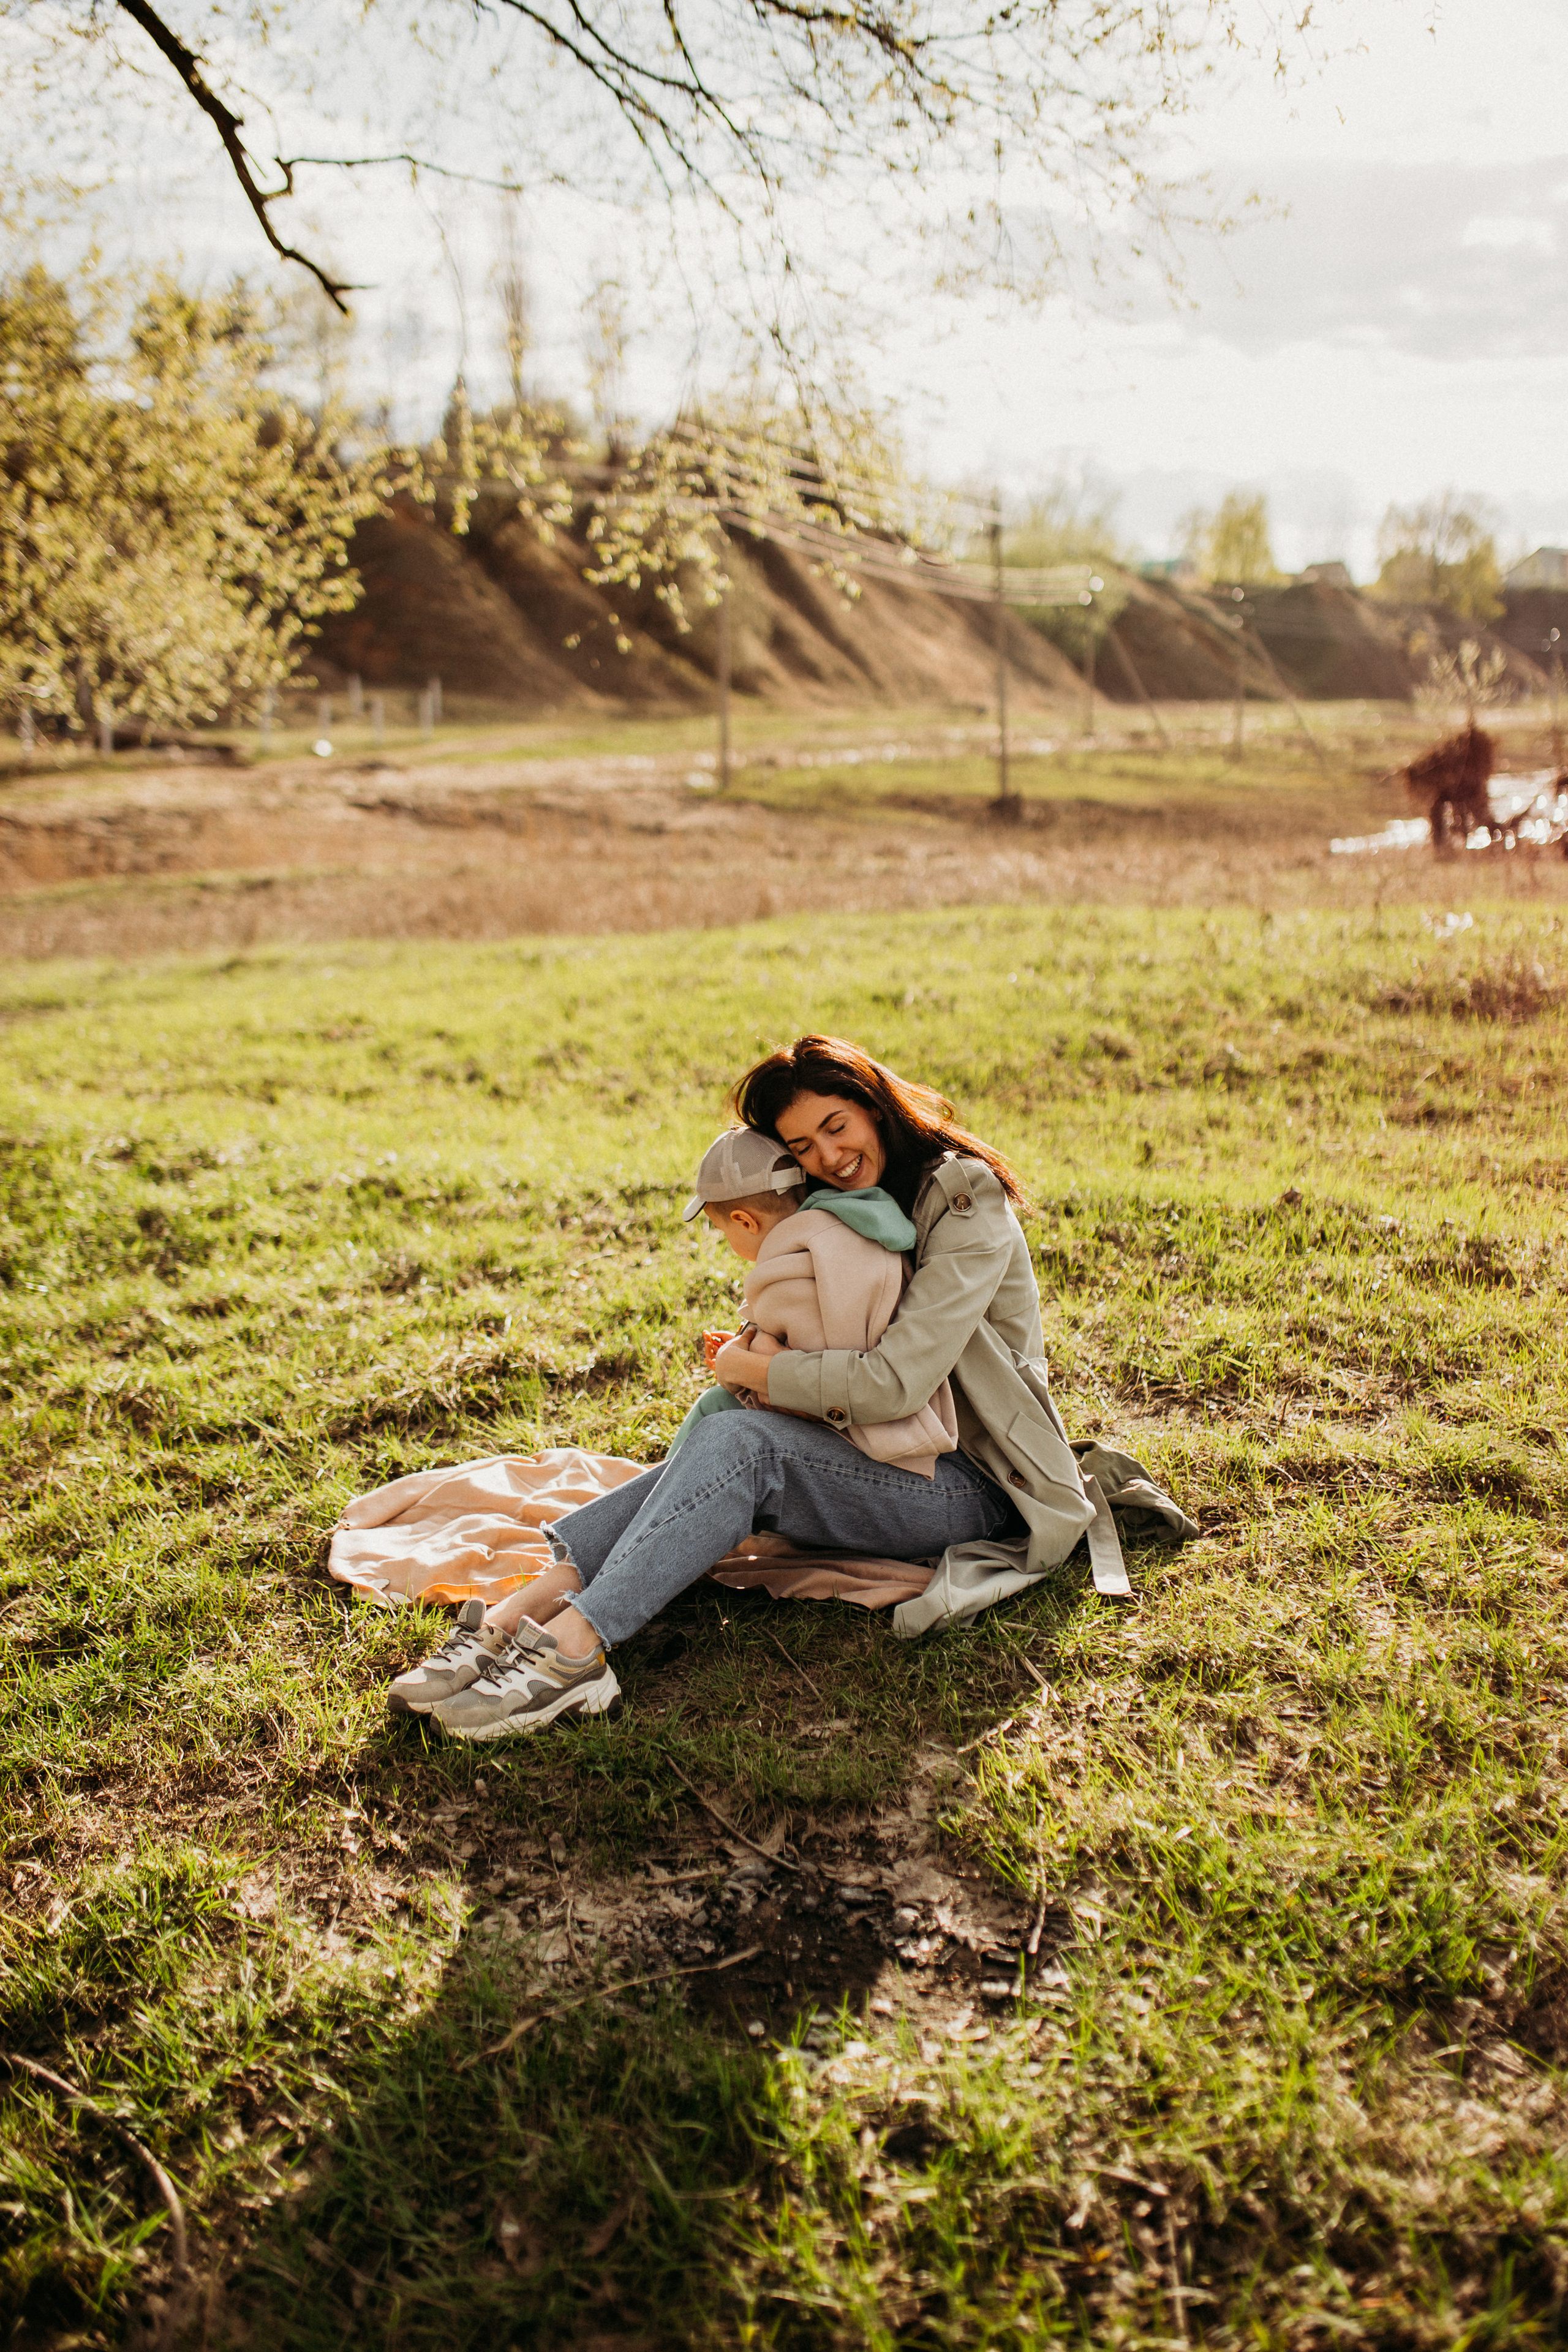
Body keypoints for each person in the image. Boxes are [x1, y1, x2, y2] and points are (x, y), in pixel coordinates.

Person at [412, 1034, 1097, 1743]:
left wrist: (755, 1372)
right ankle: (511, 1619)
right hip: (885, 1457)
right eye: (801, 1147)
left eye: (836, 1126)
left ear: (874, 1103)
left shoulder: (961, 1201)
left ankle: (576, 1652)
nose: (828, 1157)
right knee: (728, 1437)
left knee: (742, 1443)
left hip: (976, 1485)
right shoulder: (847, 1205)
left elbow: (894, 1384)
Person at [665, 1123, 957, 1475]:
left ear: (745, 1221)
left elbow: (799, 1393)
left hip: (871, 1443)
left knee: (715, 1405)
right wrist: (753, 1340)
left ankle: (654, 1495)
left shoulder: (787, 1272)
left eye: (724, 1230)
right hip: (904, 1419)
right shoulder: (856, 1225)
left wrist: (739, 1360)